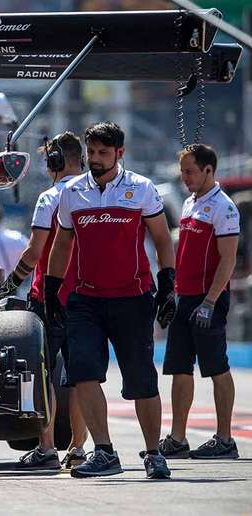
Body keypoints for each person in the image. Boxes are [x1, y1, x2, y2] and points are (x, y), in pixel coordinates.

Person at [46, 122, 176, 479]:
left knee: (141, 381)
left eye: (103, 153)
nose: (95, 159)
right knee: (83, 374)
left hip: (133, 299)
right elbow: (62, 244)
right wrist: (52, 290)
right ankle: (104, 452)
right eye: (91, 153)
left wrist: (168, 286)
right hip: (85, 299)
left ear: (120, 153)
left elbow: (163, 240)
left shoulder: (142, 189)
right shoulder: (72, 192)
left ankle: (153, 453)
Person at [0, 132, 88, 470]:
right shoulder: (96, 194)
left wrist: (9, 285)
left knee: (42, 373)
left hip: (47, 298)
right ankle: (78, 448)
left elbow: (34, 253)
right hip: (86, 298)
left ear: (56, 161)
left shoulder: (51, 197)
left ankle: (46, 447)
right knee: (80, 377)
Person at [160, 144, 240, 459]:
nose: (185, 178)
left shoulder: (224, 207)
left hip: (208, 300)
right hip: (184, 297)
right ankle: (177, 439)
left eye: (190, 172)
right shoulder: (190, 203)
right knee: (180, 368)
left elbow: (228, 259)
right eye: (182, 172)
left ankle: (224, 439)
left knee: (217, 367)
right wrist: (172, 293)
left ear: (209, 170)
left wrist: (209, 301)